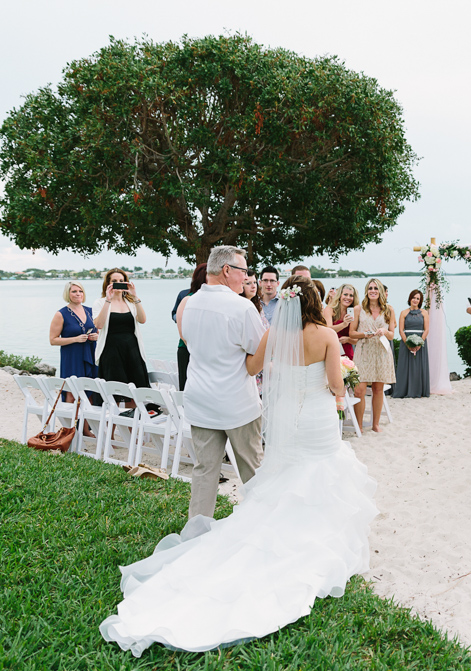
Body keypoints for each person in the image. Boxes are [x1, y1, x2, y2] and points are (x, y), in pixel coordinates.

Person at [100, 274, 377, 657]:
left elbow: (251, 369)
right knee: (322, 475)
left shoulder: (275, 334)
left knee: (289, 474)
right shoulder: (328, 336)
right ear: (316, 301)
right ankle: (312, 537)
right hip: (316, 419)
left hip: (284, 421)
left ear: (288, 301)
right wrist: (344, 381)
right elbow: (334, 384)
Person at [179, 246, 266, 519]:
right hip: (236, 402)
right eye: (244, 271)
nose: (246, 278)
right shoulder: (242, 308)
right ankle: (260, 522)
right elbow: (254, 365)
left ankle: (196, 528)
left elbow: (190, 345)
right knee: (252, 469)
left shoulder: (189, 303)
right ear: (227, 271)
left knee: (204, 470)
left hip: (200, 400)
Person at [92, 268, 151, 397]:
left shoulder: (131, 301)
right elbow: (99, 325)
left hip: (132, 349)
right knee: (115, 391)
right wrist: (108, 300)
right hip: (111, 350)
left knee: (136, 390)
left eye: (121, 281)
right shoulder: (100, 302)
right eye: (114, 281)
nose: (118, 283)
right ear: (108, 283)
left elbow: (142, 320)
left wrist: (135, 296)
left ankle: (135, 416)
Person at [349, 279, 396, 432]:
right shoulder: (358, 309)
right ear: (366, 291)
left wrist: (385, 331)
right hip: (363, 351)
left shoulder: (389, 309)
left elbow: (391, 336)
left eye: (376, 288)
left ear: (381, 291)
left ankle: (375, 425)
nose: (373, 290)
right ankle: (360, 425)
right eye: (370, 288)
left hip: (381, 352)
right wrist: (365, 334)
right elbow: (352, 333)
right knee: (359, 390)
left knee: (377, 389)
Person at [49, 281, 99, 400]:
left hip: (92, 355)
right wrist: (75, 339)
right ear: (68, 293)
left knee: (92, 391)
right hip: (72, 358)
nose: (78, 294)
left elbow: (100, 332)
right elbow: (53, 340)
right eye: (74, 291)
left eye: (80, 291)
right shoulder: (61, 314)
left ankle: (87, 419)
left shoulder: (91, 311)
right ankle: (72, 419)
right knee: (72, 392)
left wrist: (97, 337)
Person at [174, 264, 207, 391]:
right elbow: (182, 332)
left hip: (206, 352)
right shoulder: (188, 298)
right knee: (188, 386)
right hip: (188, 350)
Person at [393, 289, 430, 398]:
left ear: (420, 301)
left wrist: (419, 343)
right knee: (405, 367)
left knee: (418, 366)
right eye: (413, 297)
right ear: (410, 299)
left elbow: (426, 330)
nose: (415, 300)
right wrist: (408, 343)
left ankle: (419, 390)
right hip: (406, 341)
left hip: (420, 341)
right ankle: (404, 390)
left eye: (417, 298)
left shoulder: (424, 313)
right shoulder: (403, 312)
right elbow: (401, 330)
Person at [324, 284, 359, 360]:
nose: (348, 298)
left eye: (351, 295)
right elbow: (328, 330)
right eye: (345, 294)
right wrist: (344, 324)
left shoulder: (354, 312)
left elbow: (358, 339)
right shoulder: (329, 310)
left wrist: (348, 339)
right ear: (340, 296)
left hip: (347, 351)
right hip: (331, 349)